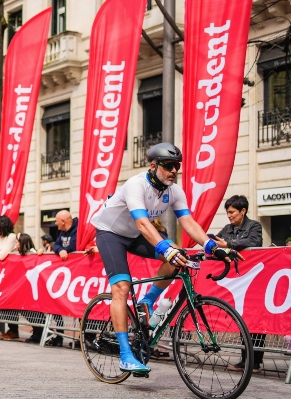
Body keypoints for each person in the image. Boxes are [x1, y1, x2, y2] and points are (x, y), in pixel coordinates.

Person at [91, 143, 232, 374]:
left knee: (178, 252)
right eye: (168, 166)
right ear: (154, 165)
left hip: (136, 235)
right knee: (122, 287)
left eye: (176, 166)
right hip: (111, 234)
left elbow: (188, 222)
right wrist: (165, 248)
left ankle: (147, 301)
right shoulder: (136, 185)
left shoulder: (174, 191)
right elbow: (142, 222)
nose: (174, 170)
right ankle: (126, 355)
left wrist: (211, 246)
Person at [213, 195, 264, 374]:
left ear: (243, 211)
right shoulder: (227, 228)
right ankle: (246, 360)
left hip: (254, 279)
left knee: (255, 320)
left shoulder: (254, 226)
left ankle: (254, 362)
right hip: (234, 279)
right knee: (242, 318)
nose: (229, 215)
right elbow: (214, 244)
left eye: (232, 212)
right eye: (227, 212)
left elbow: (253, 242)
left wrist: (228, 244)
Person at [0, 216, 19, 339]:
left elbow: (2, 255)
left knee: (13, 303)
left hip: (13, 273)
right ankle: (11, 329)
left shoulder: (12, 237)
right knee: (5, 303)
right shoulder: (0, 238)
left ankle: (14, 330)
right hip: (2, 275)